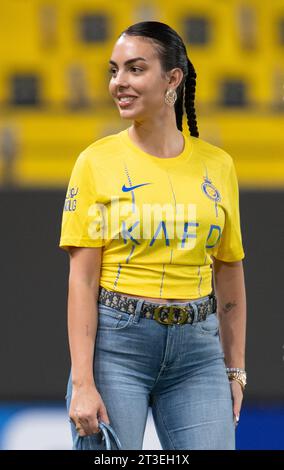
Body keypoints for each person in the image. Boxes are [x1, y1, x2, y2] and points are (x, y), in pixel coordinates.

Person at [59, 21, 247, 450]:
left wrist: (235, 370)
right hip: (117, 348)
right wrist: (83, 383)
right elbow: (82, 281)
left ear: (173, 79)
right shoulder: (95, 162)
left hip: (198, 353)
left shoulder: (218, 165)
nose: (118, 83)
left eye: (134, 69)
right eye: (114, 70)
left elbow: (230, 270)